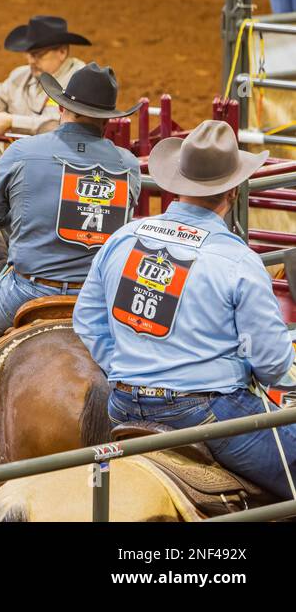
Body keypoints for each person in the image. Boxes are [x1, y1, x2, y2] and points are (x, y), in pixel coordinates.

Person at [0, 64, 141, 519]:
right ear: (108, 119)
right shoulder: (127, 166)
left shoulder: (23, 151)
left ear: (61, 107)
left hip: (26, 290)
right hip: (99, 302)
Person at [75, 120, 296, 499]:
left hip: (122, 405)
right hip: (204, 413)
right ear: (233, 189)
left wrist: (131, 369)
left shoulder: (123, 238)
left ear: (176, 180)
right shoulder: (237, 260)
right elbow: (272, 365)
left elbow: (87, 320)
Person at [0, 15, 90, 140]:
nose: (31, 60)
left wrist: (12, 121)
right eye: (28, 54)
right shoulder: (20, 75)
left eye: (38, 54)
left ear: (62, 52)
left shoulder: (81, 81)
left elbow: (59, 125)